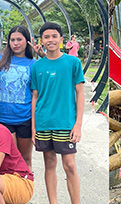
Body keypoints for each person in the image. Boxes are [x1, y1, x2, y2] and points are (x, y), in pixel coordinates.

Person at [31, 22, 84, 204]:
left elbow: (80, 93)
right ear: (41, 40)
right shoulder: (37, 66)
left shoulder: (73, 63)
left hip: (66, 123)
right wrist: (33, 128)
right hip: (44, 123)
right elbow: (35, 97)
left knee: (70, 165)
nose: (50, 40)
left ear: (61, 39)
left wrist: (78, 124)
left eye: (54, 36)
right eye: (46, 37)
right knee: (49, 163)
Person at [0, 25, 37, 167]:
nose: (16, 43)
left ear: (27, 41)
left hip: (24, 118)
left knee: (25, 159)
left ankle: (27, 181)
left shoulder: (33, 64)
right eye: (12, 40)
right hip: (2, 118)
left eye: (19, 39)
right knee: (9, 159)